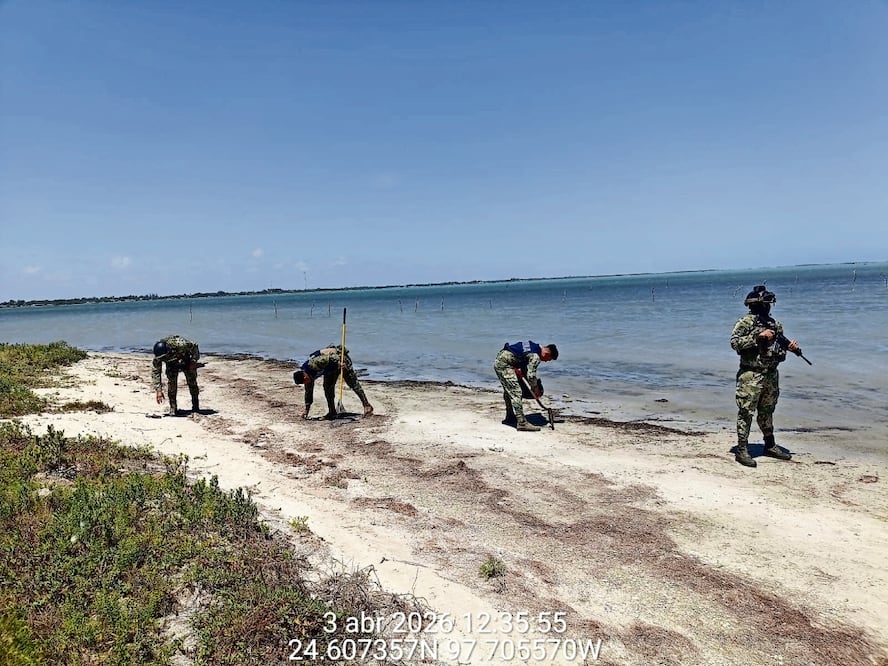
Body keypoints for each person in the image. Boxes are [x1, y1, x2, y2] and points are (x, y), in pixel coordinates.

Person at [730, 285, 803, 467]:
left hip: (770, 374)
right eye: (767, 303)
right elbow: (735, 343)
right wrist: (757, 338)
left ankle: (769, 445)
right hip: (750, 375)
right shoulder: (745, 323)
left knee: (767, 411)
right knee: (746, 411)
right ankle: (742, 449)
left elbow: (779, 345)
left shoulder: (774, 324)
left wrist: (791, 348)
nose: (769, 307)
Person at [292, 344, 373, 420]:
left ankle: (367, 406)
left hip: (339, 359)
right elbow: (308, 393)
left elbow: (331, 358)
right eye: (305, 383)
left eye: (306, 381)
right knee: (327, 388)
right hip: (329, 368)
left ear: (305, 376)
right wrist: (306, 410)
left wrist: (340, 363)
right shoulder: (306, 377)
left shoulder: (314, 364)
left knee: (352, 383)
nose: (307, 383)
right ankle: (332, 411)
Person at [494, 341, 558, 431]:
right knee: (516, 392)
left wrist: (526, 379)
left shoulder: (534, 347)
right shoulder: (536, 356)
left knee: (509, 390)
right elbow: (531, 376)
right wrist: (535, 388)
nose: (547, 361)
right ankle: (522, 423)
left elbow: (524, 365)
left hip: (501, 360)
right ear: (547, 353)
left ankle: (510, 417)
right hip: (505, 365)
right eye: (549, 359)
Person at [152, 335, 201, 416]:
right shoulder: (158, 356)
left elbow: (194, 346)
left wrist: (193, 361)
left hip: (186, 359)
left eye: (164, 357)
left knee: (192, 382)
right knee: (171, 384)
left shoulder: (181, 344)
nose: (162, 359)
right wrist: (158, 390)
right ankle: (173, 408)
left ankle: (196, 405)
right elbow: (155, 372)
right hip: (171, 364)